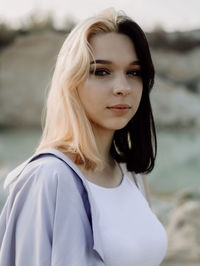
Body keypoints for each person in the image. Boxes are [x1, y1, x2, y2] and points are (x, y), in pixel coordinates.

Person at [0, 8, 168, 266]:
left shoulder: (132, 174)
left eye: (134, 72)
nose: (123, 87)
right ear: (71, 82)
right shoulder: (48, 178)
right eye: (101, 72)